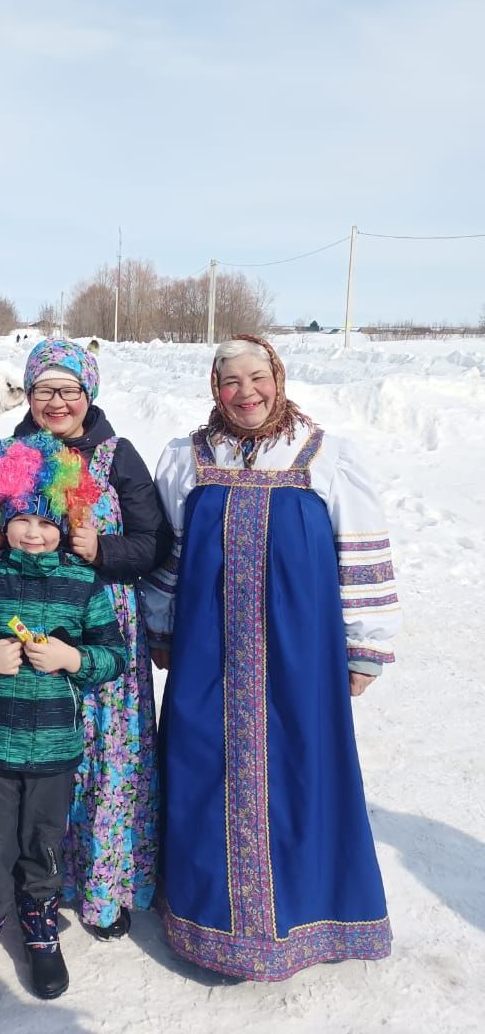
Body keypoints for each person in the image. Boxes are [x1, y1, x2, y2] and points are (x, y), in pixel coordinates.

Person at [142, 334, 401, 981]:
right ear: (214, 388)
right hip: (208, 657)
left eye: (257, 377)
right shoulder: (188, 458)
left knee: (303, 776)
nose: (245, 392)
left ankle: (306, 917)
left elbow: (362, 555)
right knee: (203, 772)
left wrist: (363, 647)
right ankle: (206, 919)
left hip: (300, 661)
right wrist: (159, 626)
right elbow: (168, 555)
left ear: (278, 379)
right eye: (230, 381)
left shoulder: (325, 456)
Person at [0, 432, 126, 1019]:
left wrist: (74, 661)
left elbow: (112, 654)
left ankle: (41, 927)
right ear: (1, 515)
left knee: (43, 845)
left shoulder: (82, 583)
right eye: (21, 519)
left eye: (46, 521)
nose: (34, 533)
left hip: (55, 751)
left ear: (66, 521)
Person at [0, 338, 170, 938]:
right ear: (28, 395)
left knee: (106, 757)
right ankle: (30, 884)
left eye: (69, 390)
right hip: (27, 626)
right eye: (43, 390)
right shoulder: (10, 453)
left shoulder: (118, 457)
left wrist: (104, 550)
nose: (56, 402)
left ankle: (102, 884)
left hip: (100, 626)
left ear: (89, 394)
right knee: (31, 757)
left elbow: (156, 542)